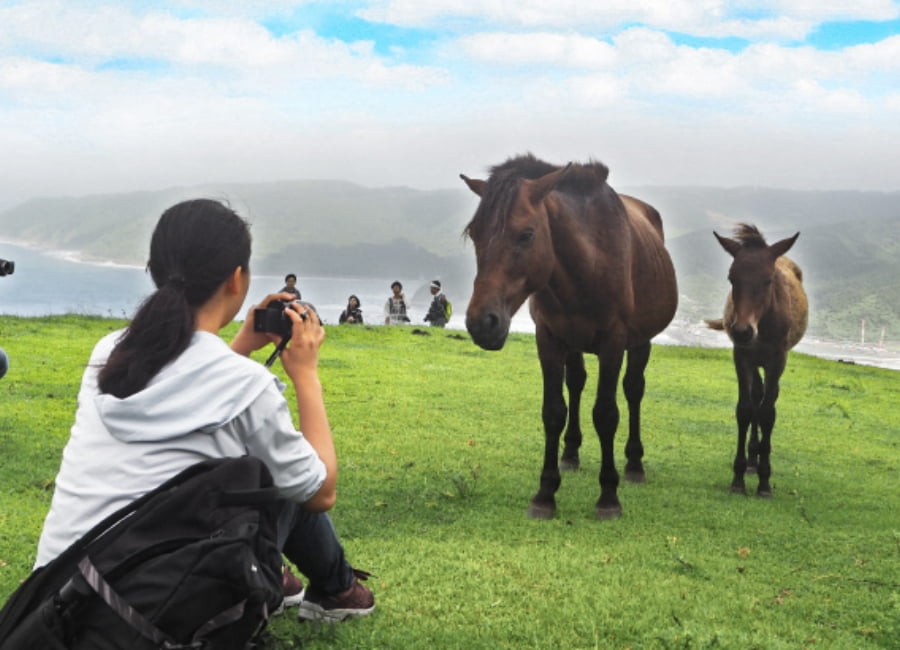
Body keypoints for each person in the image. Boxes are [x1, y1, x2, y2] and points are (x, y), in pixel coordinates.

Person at [33, 199, 374, 623]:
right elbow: (320, 492)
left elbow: (190, 399)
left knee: (249, 468)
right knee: (284, 480)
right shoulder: (245, 386)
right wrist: (306, 376)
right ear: (237, 279)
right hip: (152, 617)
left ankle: (291, 582)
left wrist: (241, 346)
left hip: (53, 600)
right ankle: (338, 589)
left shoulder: (111, 351)